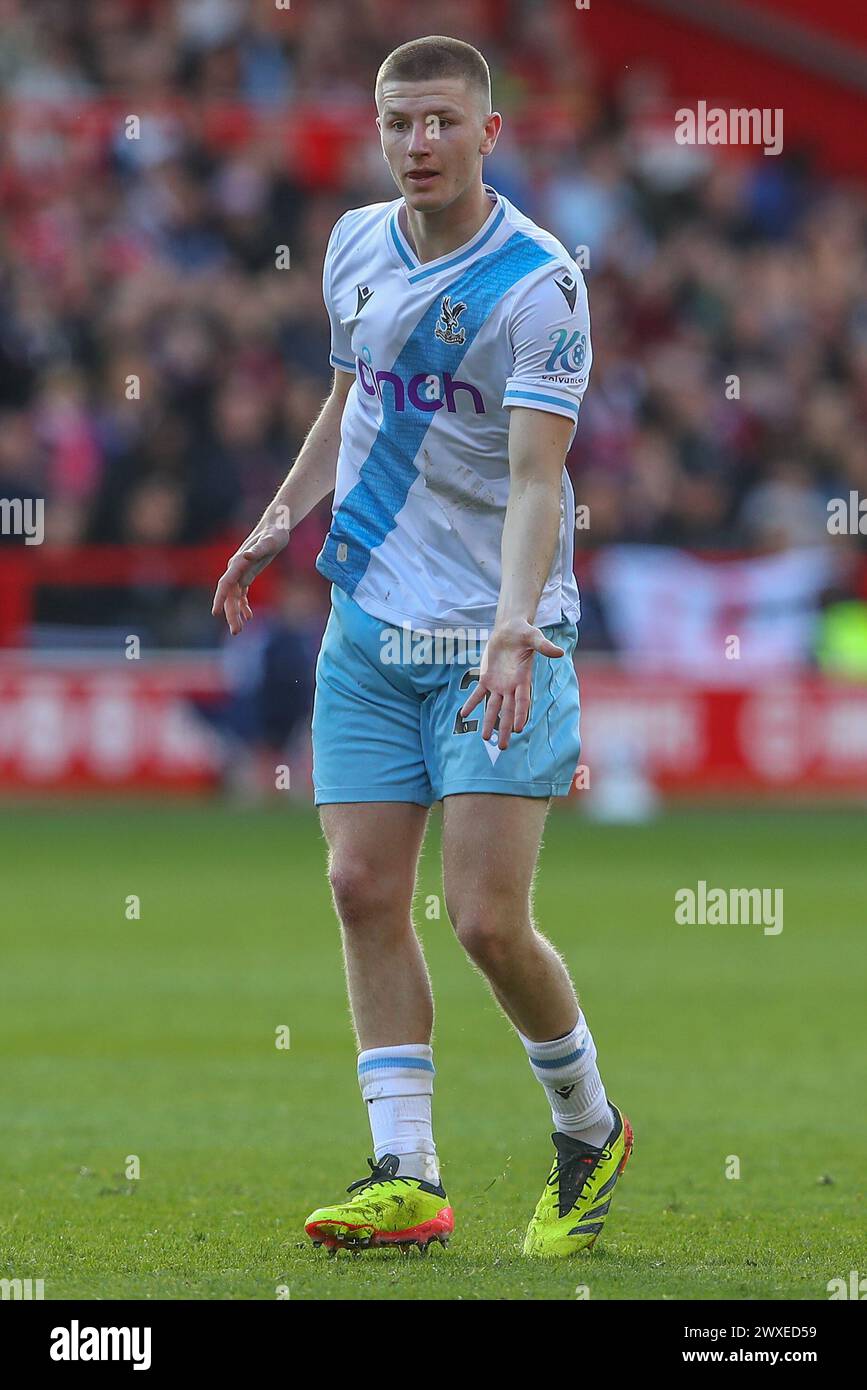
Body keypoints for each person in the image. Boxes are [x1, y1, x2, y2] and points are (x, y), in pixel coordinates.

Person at [212, 35, 633, 1259]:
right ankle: (406, 1170)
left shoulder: (538, 285)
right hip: (369, 626)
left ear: (489, 133)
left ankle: (589, 1125)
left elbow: (539, 480)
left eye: (442, 121)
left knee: (488, 918)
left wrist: (512, 626)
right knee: (359, 889)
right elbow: (352, 399)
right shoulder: (351, 244)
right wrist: (279, 519)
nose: (419, 144)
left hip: (499, 639)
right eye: (400, 123)